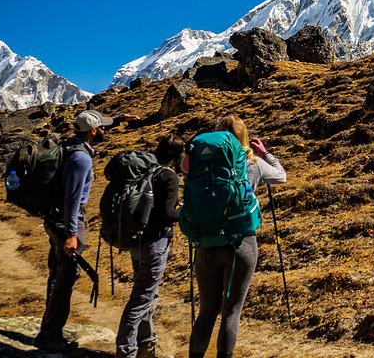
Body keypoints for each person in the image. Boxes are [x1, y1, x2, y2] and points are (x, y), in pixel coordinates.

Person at [35, 109, 140, 352]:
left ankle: (48, 329)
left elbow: (98, 127)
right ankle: (50, 335)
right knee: (67, 277)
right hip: (68, 222)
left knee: (56, 274)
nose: (105, 129)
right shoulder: (82, 159)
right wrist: (72, 234)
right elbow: (72, 199)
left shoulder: (71, 144)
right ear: (93, 131)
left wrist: (120, 119)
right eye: (102, 127)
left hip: (53, 219)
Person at [188, 114, 286, 358]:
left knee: (207, 311)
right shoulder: (252, 163)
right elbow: (281, 176)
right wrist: (265, 153)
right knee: (232, 310)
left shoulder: (201, 166)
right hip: (240, 244)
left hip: (206, 243)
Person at [115, 134, 185, 358]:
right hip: (155, 242)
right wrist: (184, 211)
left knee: (147, 294)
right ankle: (126, 350)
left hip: (137, 240)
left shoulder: (145, 171)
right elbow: (167, 214)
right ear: (177, 154)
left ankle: (147, 344)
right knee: (142, 297)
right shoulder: (168, 177)